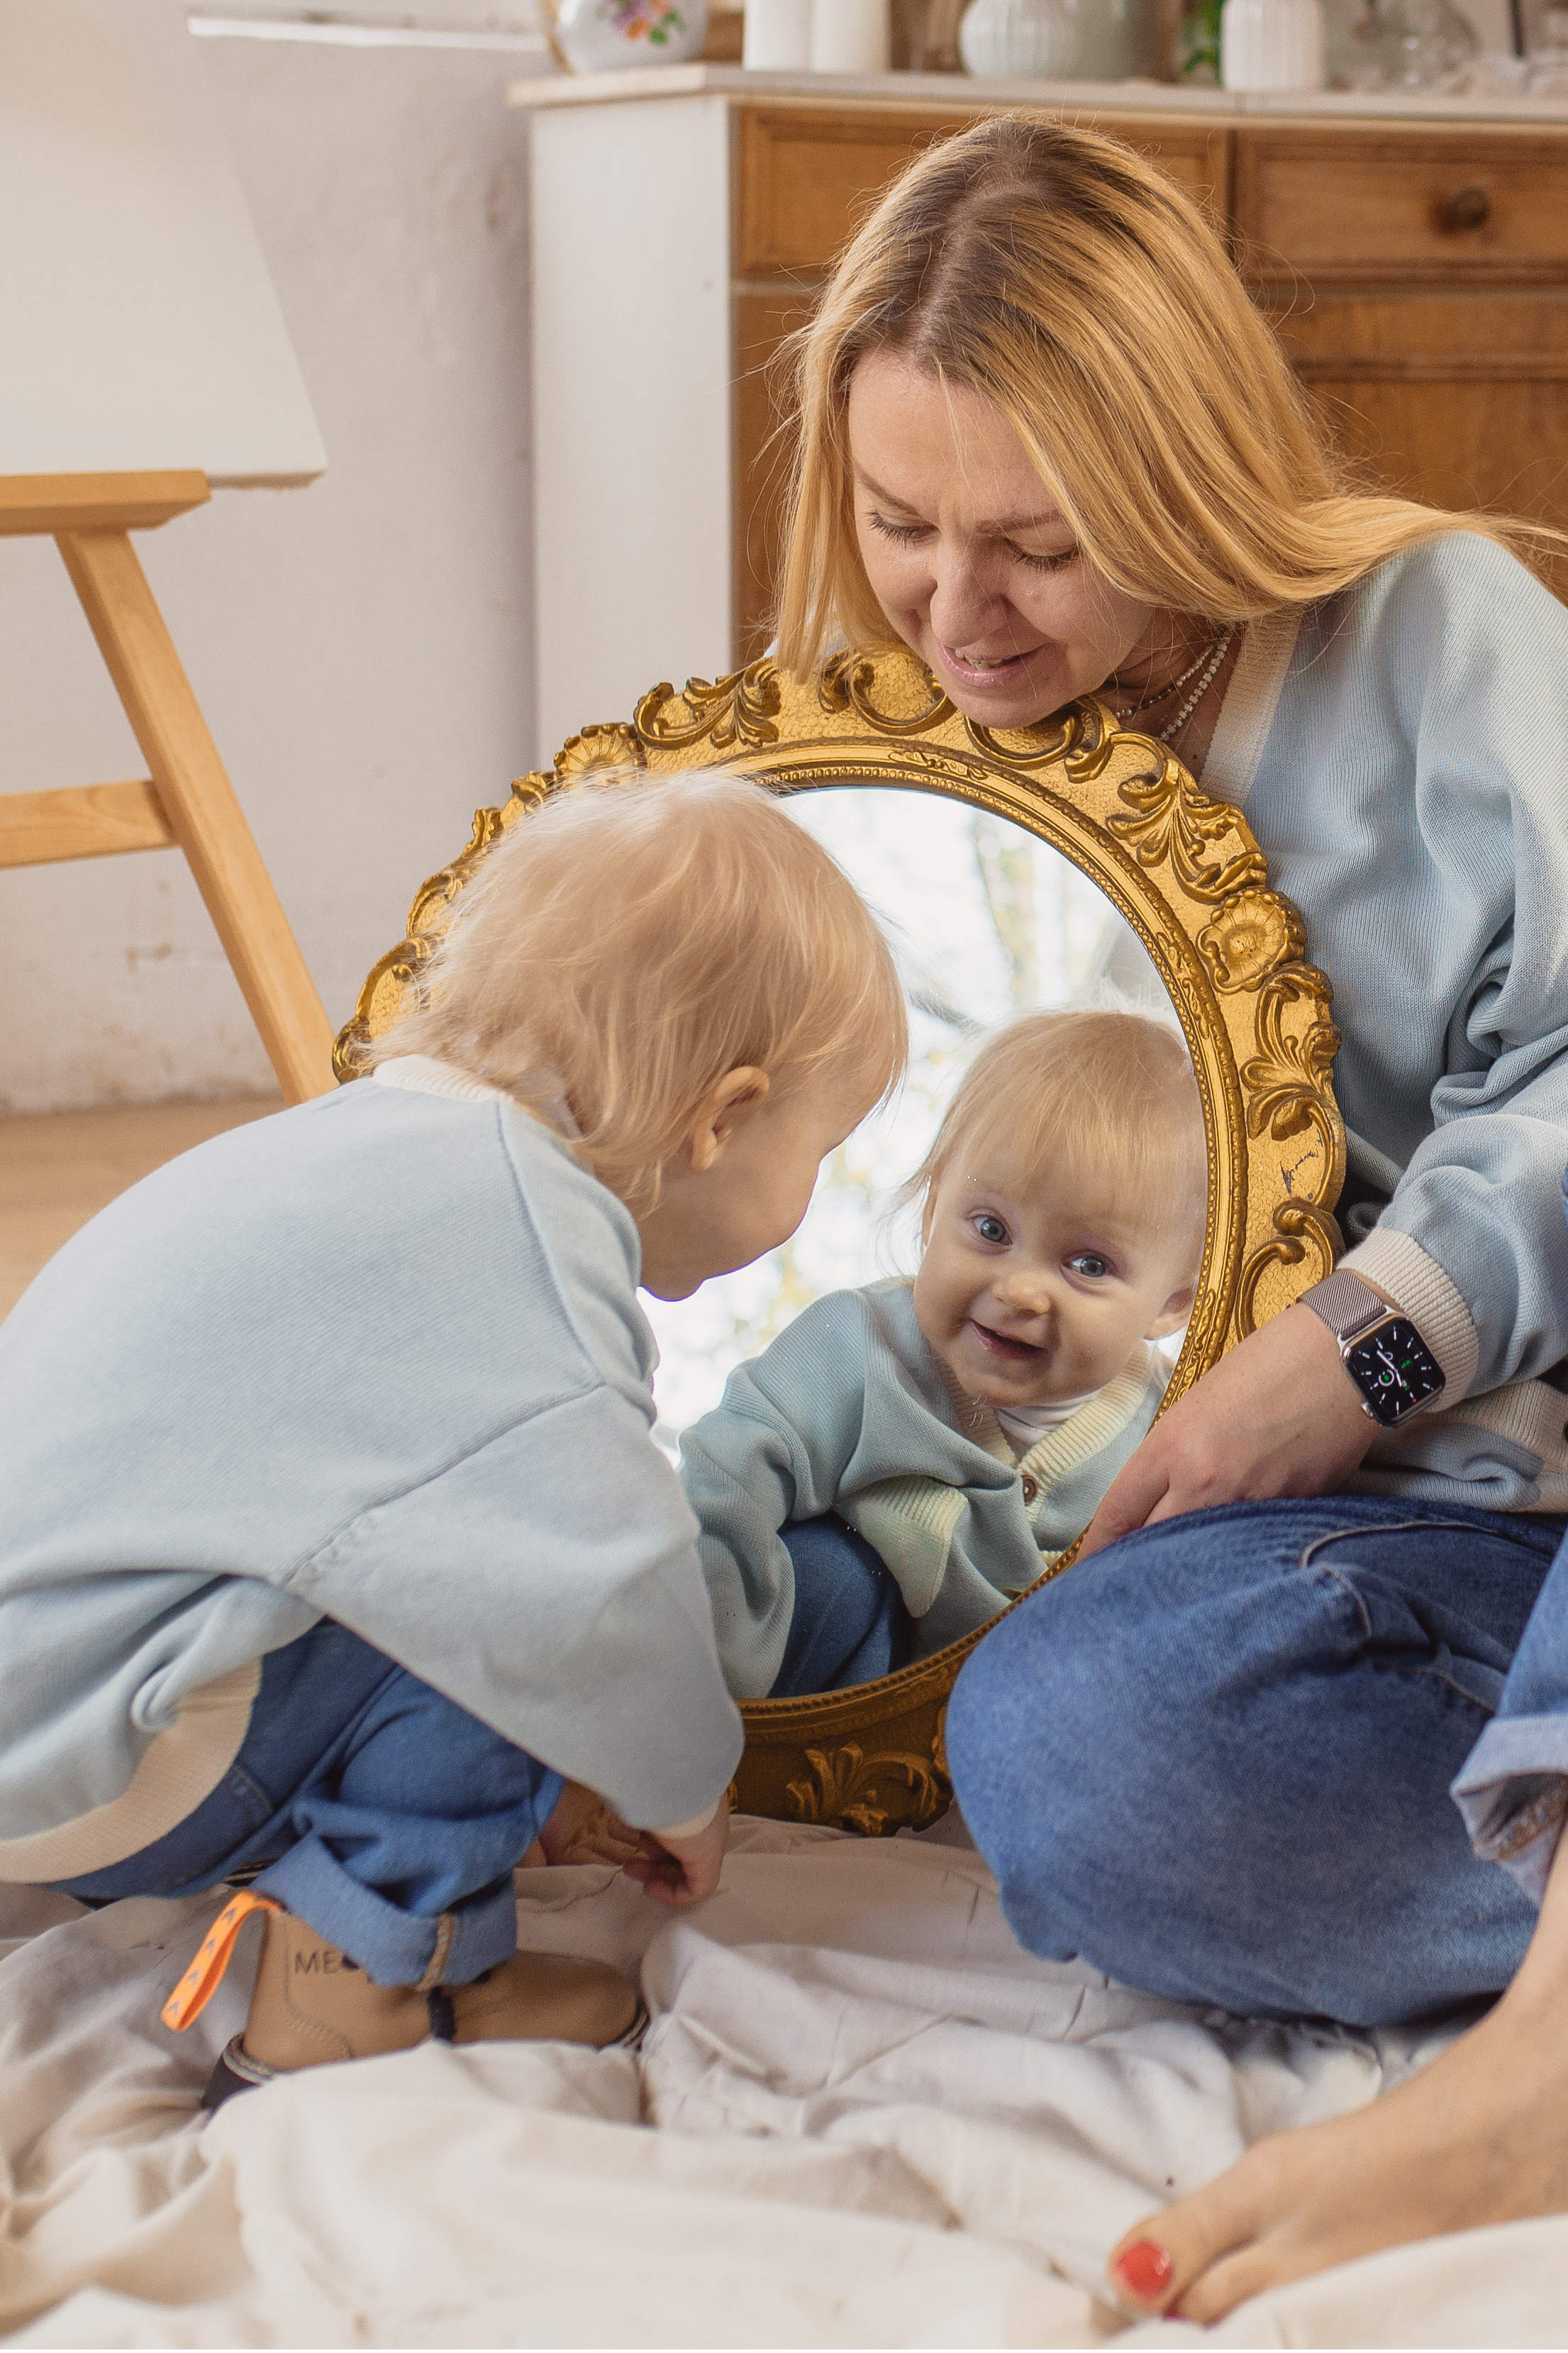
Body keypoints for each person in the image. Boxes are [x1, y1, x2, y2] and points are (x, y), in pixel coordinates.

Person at [772, 109, 1568, 2321]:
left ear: (1186, 473)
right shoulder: (915, 765)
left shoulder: (1431, 637)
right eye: (898, 523)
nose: (955, 610)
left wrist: (1361, 1348)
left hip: (1491, 1420)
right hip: (1402, 1556)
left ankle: (1536, 2068)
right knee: (1059, 1755)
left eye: (1038, 539)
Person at [0, 771, 906, 2110]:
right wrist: (683, 1780)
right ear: (723, 1115)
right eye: (822, 1147)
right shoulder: (525, 1239)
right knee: (496, 1583)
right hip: (120, 1757)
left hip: (42, 1718)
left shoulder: (345, 1151)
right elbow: (604, 1585)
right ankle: (354, 1986)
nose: (813, 1191)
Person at [682, 1007, 1203, 1697]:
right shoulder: (861, 1346)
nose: (1020, 1289)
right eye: (991, 1228)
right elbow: (727, 1481)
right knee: (832, 1575)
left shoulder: (1165, 1426)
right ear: (932, 1214)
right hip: (824, 1682)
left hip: (1012, 1719)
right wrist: (703, 1691)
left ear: (1172, 1303)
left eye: (1088, 1263)